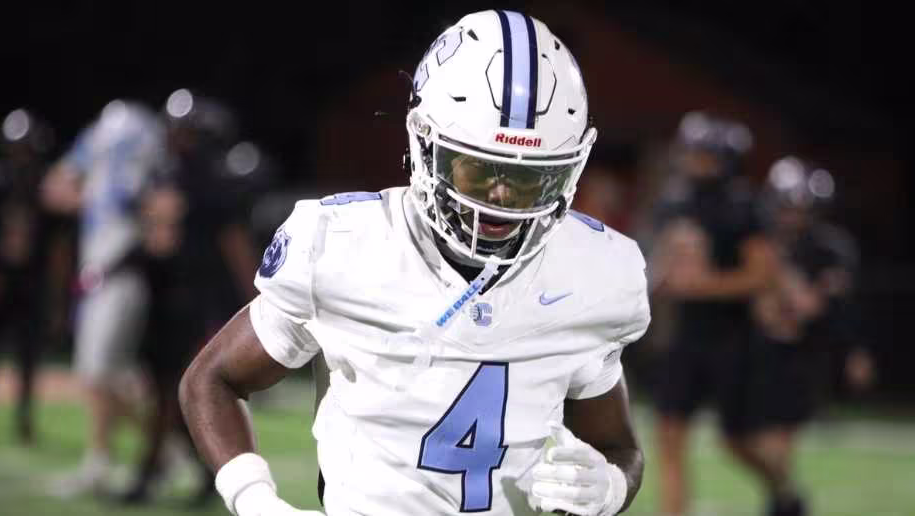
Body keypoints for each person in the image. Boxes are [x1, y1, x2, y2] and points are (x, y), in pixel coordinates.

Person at [180, 10, 650, 516]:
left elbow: (618, 449)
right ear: (424, 144)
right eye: (478, 171)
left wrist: (609, 486)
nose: (501, 199)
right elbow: (212, 379)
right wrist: (256, 501)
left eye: (530, 178)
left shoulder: (594, 272)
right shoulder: (344, 245)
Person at [119, 89, 261, 505]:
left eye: (186, 131)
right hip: (162, 297)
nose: (179, 138)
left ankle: (149, 474)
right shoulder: (161, 176)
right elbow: (151, 237)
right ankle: (206, 473)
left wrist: (255, 294)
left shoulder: (212, 181)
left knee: (175, 390)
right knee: (171, 392)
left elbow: (234, 243)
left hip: (196, 300)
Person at [649, 111, 776, 516]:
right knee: (669, 436)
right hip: (685, 337)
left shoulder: (743, 205)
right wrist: (657, 281)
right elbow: (663, 267)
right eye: (693, 152)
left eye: (704, 153)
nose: (695, 160)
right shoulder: (674, 201)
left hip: (732, 338)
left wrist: (705, 285)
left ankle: (782, 489)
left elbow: (763, 276)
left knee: (735, 441)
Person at [41, 100, 164, 497]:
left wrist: (91, 195)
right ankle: (164, 446)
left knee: (98, 375)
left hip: (117, 275)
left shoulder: (129, 164)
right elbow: (56, 190)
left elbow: (55, 189)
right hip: (104, 277)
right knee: (109, 377)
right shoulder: (122, 161)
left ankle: (103, 461)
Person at [745, 156, 873, 516]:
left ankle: (781, 504)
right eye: (787, 207)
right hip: (755, 348)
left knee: (780, 435)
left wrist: (854, 350)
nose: (793, 216)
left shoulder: (829, 248)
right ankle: (787, 498)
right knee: (742, 434)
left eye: (800, 209)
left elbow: (816, 307)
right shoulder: (760, 241)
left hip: (803, 352)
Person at [0, 109, 69, 444]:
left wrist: (56, 294)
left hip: (31, 280)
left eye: (27, 149)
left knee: (28, 352)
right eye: (17, 148)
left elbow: (59, 248)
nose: (22, 156)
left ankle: (24, 415)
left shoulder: (47, 187)